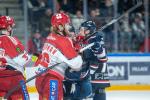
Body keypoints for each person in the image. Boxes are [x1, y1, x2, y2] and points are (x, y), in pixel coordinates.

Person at [35, 12, 83, 100]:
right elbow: (77, 65)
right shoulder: (65, 41)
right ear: (60, 27)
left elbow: (60, 54)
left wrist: (73, 45)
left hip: (39, 78)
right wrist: (78, 51)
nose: (69, 26)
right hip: (52, 80)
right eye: (67, 24)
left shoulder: (50, 36)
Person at [64, 20, 110, 100]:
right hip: (88, 73)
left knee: (99, 91)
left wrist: (97, 47)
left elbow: (103, 58)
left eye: (81, 29)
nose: (79, 31)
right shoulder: (83, 39)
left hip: (98, 73)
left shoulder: (96, 39)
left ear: (88, 31)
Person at [0, 16, 31, 100]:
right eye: (12, 26)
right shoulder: (10, 39)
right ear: (8, 27)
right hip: (13, 78)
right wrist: (32, 58)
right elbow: (23, 60)